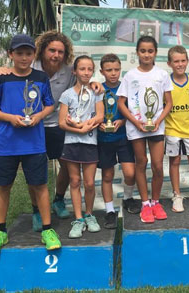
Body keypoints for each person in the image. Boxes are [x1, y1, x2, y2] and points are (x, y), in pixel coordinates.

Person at [0, 31, 102, 231]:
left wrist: (97, 84)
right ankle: (36, 210)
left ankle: (59, 200)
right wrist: (3, 69)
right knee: (34, 171)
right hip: (33, 127)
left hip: (58, 125)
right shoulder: (30, 67)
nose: (56, 55)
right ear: (42, 51)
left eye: (60, 52)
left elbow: (85, 79)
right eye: (52, 50)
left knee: (66, 165)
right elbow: (13, 72)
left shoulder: (69, 70)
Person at [0, 34, 61, 254]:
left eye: (28, 53)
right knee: (3, 186)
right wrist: (10, 118)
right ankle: (0, 231)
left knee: (40, 186)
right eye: (19, 53)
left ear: (34, 55)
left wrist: (38, 117)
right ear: (10, 54)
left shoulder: (41, 77)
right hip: (7, 144)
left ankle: (47, 229)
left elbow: (49, 105)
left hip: (35, 144)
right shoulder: (1, 79)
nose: (24, 58)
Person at [117, 36, 173, 223]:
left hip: (156, 126)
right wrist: (134, 121)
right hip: (136, 128)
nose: (147, 54)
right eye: (143, 51)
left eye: (150, 51)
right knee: (141, 162)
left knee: (157, 166)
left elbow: (169, 103)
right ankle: (145, 204)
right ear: (137, 52)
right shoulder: (130, 75)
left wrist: (157, 121)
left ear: (155, 52)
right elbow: (121, 104)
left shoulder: (162, 75)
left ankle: (155, 201)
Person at [58, 55, 104, 238]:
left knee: (90, 183)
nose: (86, 72)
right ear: (74, 71)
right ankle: (78, 219)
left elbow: (100, 116)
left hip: (90, 142)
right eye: (82, 69)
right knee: (75, 181)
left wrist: (86, 126)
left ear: (93, 72)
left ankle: (89, 214)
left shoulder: (97, 92)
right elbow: (62, 123)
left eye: (89, 69)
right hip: (71, 142)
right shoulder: (67, 95)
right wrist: (79, 129)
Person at [97, 54, 138, 229]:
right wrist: (97, 122)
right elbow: (91, 111)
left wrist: (123, 121)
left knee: (130, 173)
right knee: (107, 175)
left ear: (120, 70)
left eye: (116, 70)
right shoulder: (97, 89)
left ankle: (128, 198)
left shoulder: (126, 87)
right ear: (102, 71)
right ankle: (109, 211)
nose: (113, 73)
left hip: (124, 137)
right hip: (104, 139)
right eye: (109, 70)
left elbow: (135, 110)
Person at [165, 45, 189, 212]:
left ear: (187, 61)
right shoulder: (166, 82)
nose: (180, 64)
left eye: (183, 61)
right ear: (169, 63)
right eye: (176, 61)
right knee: (176, 161)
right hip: (172, 128)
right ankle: (177, 195)